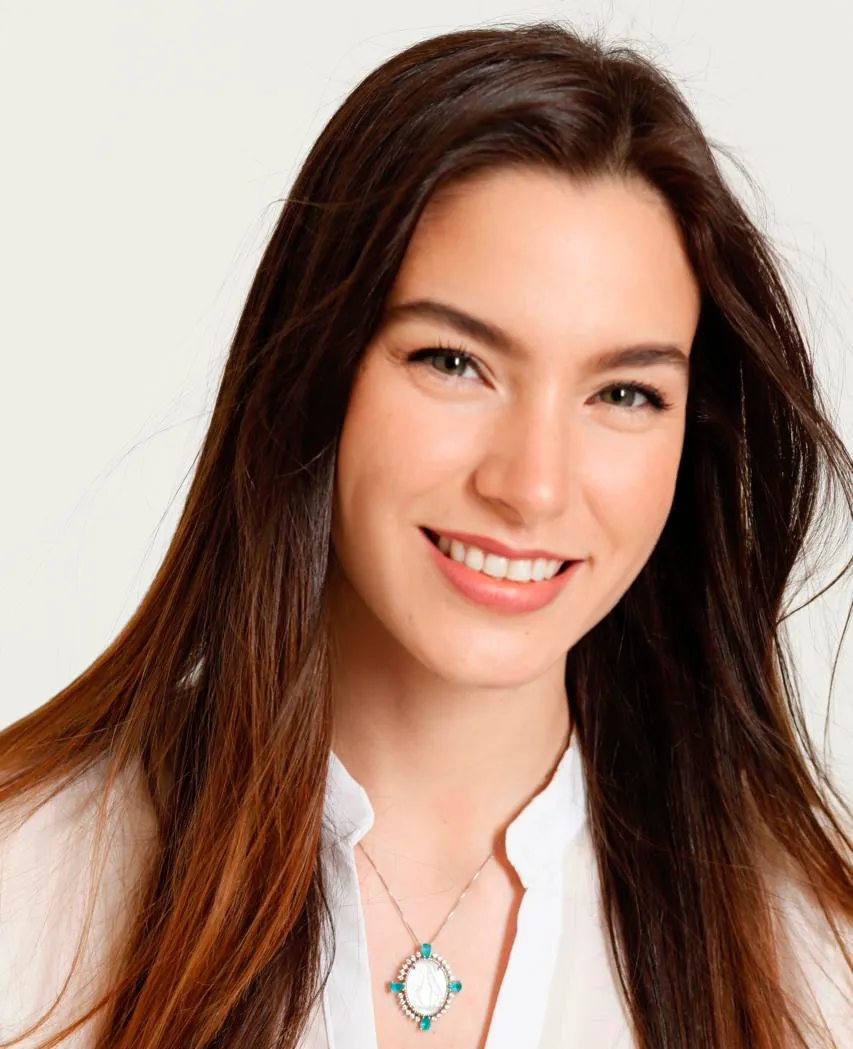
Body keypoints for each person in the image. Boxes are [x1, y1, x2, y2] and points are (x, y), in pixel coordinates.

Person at [0, 19, 851, 1049]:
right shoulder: (31, 879)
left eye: (624, 391)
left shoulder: (811, 956)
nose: (531, 485)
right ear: (316, 367)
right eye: (455, 362)